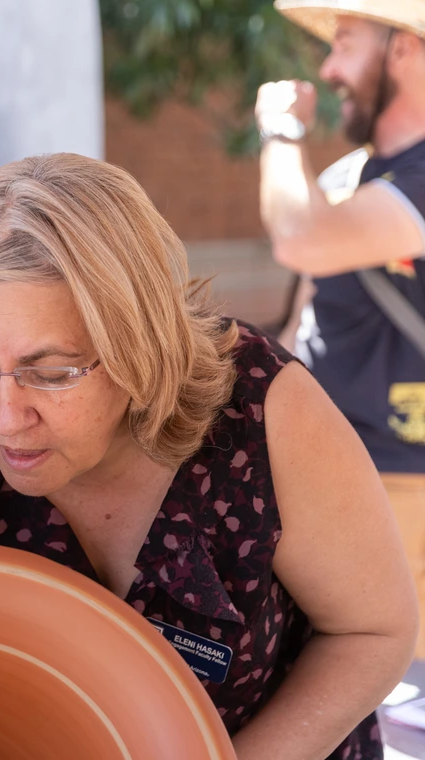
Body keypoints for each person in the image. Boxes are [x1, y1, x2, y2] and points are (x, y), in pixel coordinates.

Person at [0, 153, 417, 758]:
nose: (5, 414)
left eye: (49, 373)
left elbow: (373, 630)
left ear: (141, 348)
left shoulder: (264, 408)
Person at [258, 0, 425, 659]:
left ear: (405, 49)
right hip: (321, 481)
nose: (327, 68)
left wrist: (279, 129)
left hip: (406, 488)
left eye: (347, 42)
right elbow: (301, 326)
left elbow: (301, 239)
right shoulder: (344, 181)